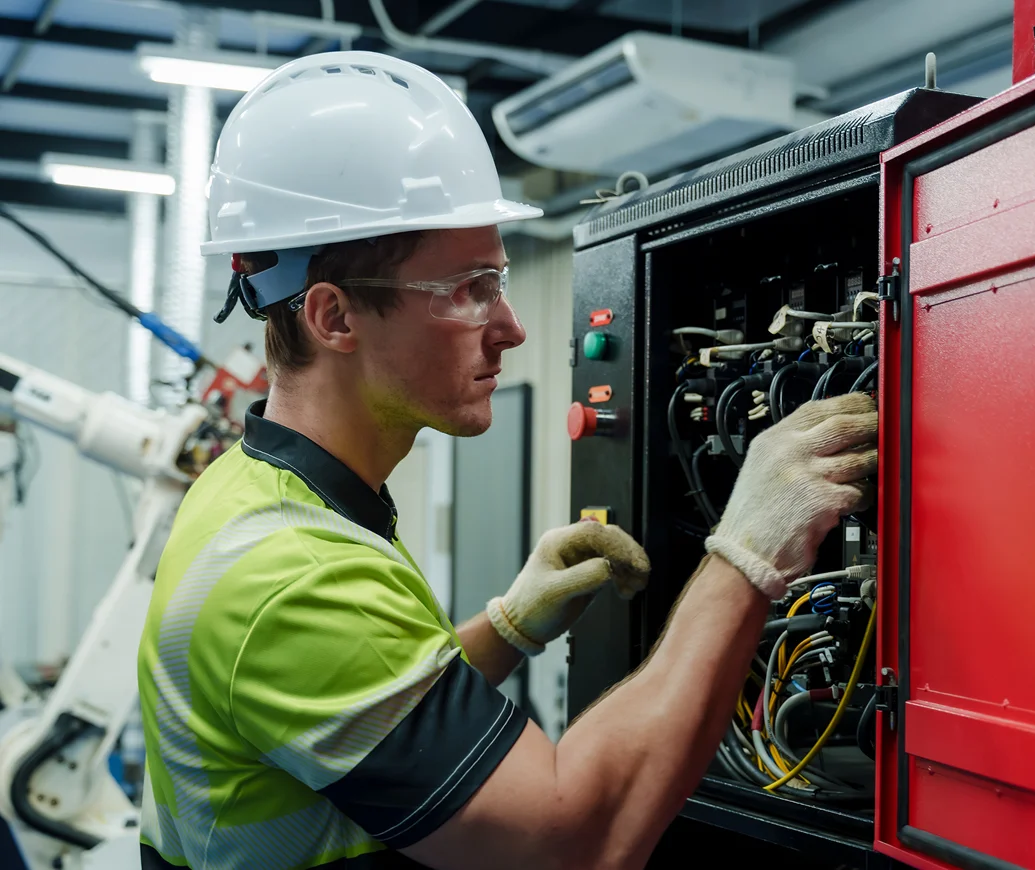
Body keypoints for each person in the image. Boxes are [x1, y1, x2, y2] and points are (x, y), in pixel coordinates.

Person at [136, 51, 878, 870]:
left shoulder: (249, 493)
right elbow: (577, 843)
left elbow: (364, 711)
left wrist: (507, 628)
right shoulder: (291, 573)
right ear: (334, 316)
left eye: (500, 278)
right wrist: (749, 551)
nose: (513, 326)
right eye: (468, 288)